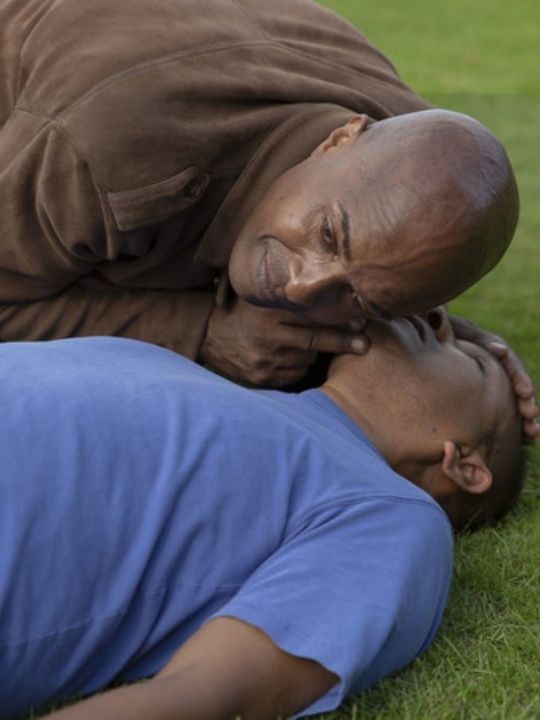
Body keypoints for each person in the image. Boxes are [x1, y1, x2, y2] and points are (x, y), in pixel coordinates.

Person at [0, 0, 537, 439]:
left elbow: (390, 251)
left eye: (362, 299)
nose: (302, 287)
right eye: (328, 233)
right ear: (338, 138)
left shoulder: (404, 143)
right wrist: (201, 333)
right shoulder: (103, 153)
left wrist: (440, 342)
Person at [0, 308, 524, 720]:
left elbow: (200, 697)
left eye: (473, 361)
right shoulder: (220, 382)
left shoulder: (393, 512)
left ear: (465, 464)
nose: (441, 322)